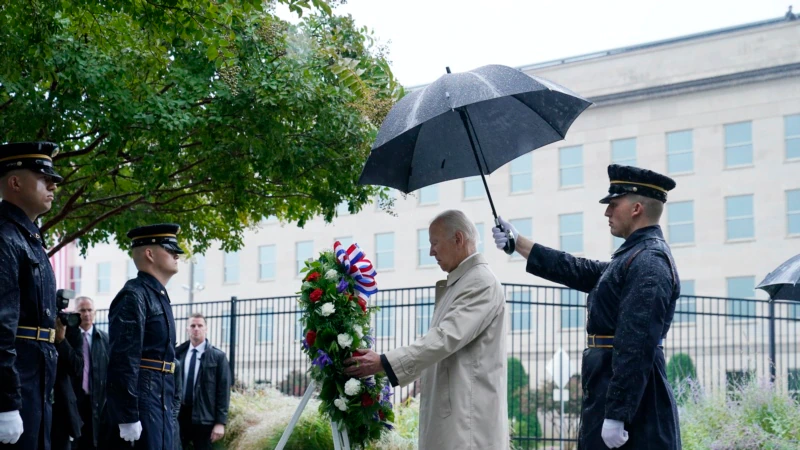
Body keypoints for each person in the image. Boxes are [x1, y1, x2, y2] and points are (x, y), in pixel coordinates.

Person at [492, 164, 681, 450]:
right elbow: (579, 270)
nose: (606, 212)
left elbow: (637, 343)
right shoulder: (633, 256)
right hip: (610, 385)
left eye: (613, 205)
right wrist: (518, 243)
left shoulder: (649, 261)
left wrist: (618, 413)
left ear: (636, 208)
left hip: (633, 402)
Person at [344, 210, 509, 450]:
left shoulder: (480, 281)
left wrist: (384, 362)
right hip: (459, 417)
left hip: (467, 425)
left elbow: (444, 338)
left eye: (434, 243)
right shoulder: (463, 281)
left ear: (459, 239)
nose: (431, 251)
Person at [0, 142, 62, 449]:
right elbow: (1, 327)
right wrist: (6, 401)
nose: (53, 184)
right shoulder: (5, 237)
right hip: (19, 381)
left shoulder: (29, 239)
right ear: (14, 182)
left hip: (34, 378)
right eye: (43, 177)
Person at [105, 224, 182, 449]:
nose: (176, 255)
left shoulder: (157, 296)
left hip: (161, 398)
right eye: (170, 249)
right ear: (149, 253)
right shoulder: (133, 295)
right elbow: (122, 360)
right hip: (145, 399)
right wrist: (128, 414)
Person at [56, 296, 109, 450]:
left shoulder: (105, 340)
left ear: (95, 313)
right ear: (74, 313)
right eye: (82, 310)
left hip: (97, 402)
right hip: (73, 400)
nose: (86, 314)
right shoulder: (66, 337)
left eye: (89, 310)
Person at [175, 313, 231, 450]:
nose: (196, 329)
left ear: (206, 329)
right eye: (193, 325)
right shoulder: (178, 354)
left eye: (200, 325)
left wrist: (220, 423)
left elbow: (223, 391)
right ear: (187, 329)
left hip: (204, 418)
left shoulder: (218, 357)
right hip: (179, 415)